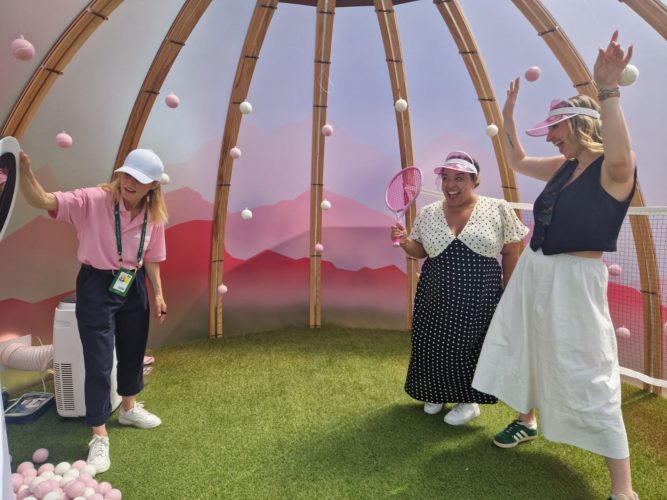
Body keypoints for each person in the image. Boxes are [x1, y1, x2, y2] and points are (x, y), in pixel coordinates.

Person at [472, 32, 638, 500]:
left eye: (555, 129)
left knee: (589, 369)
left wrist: (607, 89)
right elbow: (518, 159)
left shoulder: (613, 168)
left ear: (579, 126)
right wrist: (506, 118)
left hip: (574, 281)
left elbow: (622, 154)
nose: (550, 137)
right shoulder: (564, 167)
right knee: (526, 344)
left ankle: (622, 488)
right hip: (535, 270)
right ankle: (527, 420)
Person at [19, 148, 169, 474]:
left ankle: (128, 408)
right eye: (126, 174)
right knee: (99, 363)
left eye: (138, 179)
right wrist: (25, 173)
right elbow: (42, 199)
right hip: (96, 286)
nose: (128, 182)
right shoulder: (92, 200)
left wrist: (158, 293)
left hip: (134, 283)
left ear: (153, 186)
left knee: (132, 351)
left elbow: (154, 256)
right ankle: (98, 434)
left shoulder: (153, 215)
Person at [391, 151, 528, 425]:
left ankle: (468, 401)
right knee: (432, 342)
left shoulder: (497, 208)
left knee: (470, 346)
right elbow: (420, 251)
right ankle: (435, 392)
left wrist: (507, 291)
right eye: (445, 178)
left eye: (459, 178)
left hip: (479, 296)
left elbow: (513, 251)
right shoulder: (429, 213)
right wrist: (405, 241)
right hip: (434, 293)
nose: (450, 184)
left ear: (474, 180)